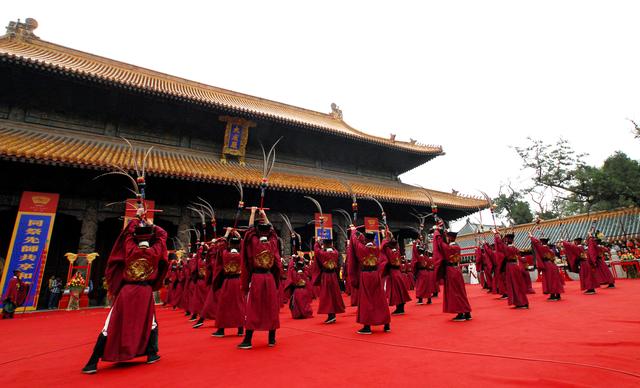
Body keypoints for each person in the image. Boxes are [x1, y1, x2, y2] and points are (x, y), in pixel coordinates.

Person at [81, 218, 168, 374]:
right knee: (151, 322)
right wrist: (151, 224)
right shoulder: (155, 252)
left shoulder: (129, 250)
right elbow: (163, 235)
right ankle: (152, 354)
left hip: (127, 291)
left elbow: (126, 233)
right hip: (145, 292)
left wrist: (137, 217)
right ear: (149, 239)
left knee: (111, 323)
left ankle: (92, 362)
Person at [238, 207, 282, 349]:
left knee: (253, 307)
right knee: (271, 306)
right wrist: (264, 214)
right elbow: (274, 232)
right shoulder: (273, 242)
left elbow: (249, 232)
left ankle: (248, 339)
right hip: (269, 277)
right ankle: (272, 338)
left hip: (257, 277)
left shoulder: (253, 241)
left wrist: (252, 213)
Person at [348, 226, 391, 334]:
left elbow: (354, 242)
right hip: (376, 275)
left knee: (366, 300)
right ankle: (386, 324)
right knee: (380, 299)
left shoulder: (362, 248)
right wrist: (385, 237)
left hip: (366, 275)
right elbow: (384, 245)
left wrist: (353, 231)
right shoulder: (377, 248)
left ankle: (367, 326)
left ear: (366, 239)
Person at [433, 225, 472, 321]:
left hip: (451, 271)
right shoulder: (457, 247)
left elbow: (440, 245)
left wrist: (437, 233)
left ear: (450, 238)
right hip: (457, 270)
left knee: (455, 292)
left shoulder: (449, 248)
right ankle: (467, 312)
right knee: (461, 292)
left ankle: (460, 313)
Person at [211, 232, 245, 337]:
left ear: (229, 245)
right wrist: (240, 237)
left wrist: (226, 234)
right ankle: (240, 329)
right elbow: (245, 247)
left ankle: (221, 330)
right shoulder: (241, 255)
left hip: (227, 282)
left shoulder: (225, 254)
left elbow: (221, 247)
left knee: (223, 305)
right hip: (238, 282)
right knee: (239, 305)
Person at [313, 237, 345, 323]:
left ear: (325, 244)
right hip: (333, 275)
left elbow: (316, 250)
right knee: (333, 295)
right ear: (331, 244)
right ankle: (332, 315)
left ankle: (331, 315)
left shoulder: (323, 253)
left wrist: (317, 242)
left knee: (327, 296)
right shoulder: (335, 252)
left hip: (326, 276)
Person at [494, 231, 529, 309]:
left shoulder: (507, 248)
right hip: (515, 266)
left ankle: (521, 302)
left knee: (515, 285)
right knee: (518, 284)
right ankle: (521, 301)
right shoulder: (515, 248)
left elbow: (500, 245)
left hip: (510, 267)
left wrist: (496, 235)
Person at [381, 231, 411, 315]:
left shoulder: (388, 249)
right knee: (400, 291)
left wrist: (384, 239)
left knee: (396, 292)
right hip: (398, 272)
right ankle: (401, 308)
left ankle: (399, 309)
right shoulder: (397, 249)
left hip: (392, 272)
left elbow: (383, 251)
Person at [530, 234, 564, 301]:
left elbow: (536, 244)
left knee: (550, 280)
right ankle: (557, 294)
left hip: (547, 266)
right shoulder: (549, 249)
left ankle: (553, 295)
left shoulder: (543, 248)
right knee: (554, 280)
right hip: (552, 265)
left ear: (542, 242)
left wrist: (531, 237)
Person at [412, 238, 436, 305]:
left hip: (421, 273)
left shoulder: (419, 257)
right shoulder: (426, 258)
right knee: (427, 287)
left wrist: (414, 244)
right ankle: (429, 300)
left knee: (420, 286)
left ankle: (420, 300)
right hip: (427, 272)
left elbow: (414, 252)